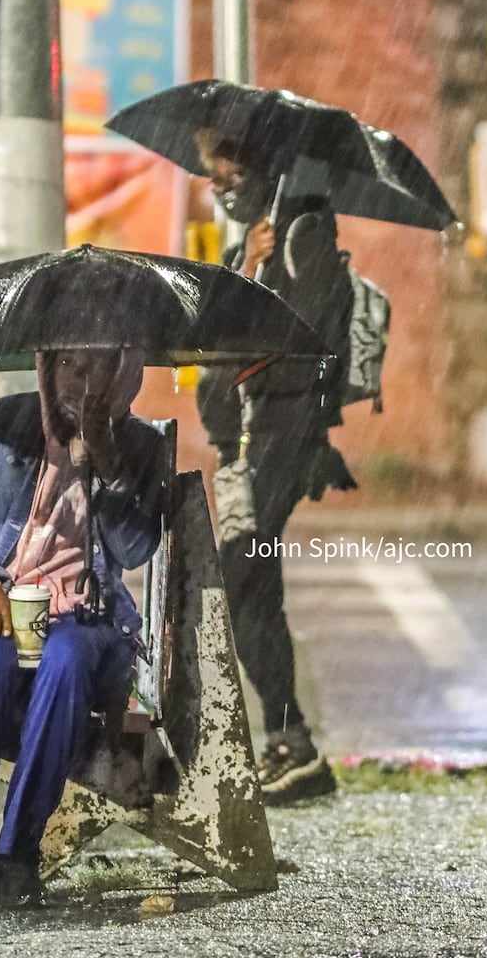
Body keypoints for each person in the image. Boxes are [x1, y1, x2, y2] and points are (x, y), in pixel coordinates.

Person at [0, 348, 164, 911]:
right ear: (45, 368)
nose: (82, 382)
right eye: (68, 365)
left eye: (100, 367)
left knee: (67, 660)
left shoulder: (142, 447)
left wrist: (107, 459)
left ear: (125, 374)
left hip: (86, 616)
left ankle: (18, 853)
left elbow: (132, 547)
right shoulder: (3, 422)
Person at [195, 130, 357, 804]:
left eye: (228, 177)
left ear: (261, 168)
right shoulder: (249, 246)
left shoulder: (304, 233)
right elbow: (214, 338)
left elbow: (310, 340)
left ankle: (291, 743)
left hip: (283, 439)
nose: (220, 191)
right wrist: (244, 272)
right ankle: (291, 749)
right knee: (251, 587)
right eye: (212, 180)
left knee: (240, 578)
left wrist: (264, 279)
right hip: (242, 445)